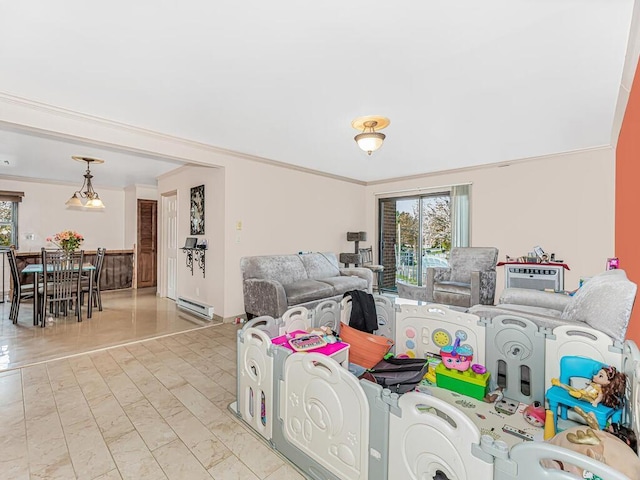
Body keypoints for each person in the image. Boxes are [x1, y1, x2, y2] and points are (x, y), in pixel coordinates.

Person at [551, 365, 626, 408]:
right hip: (584, 392)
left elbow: (599, 397)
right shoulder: (594, 384)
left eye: (600, 376)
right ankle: (559, 384)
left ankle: (579, 395)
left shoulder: (600, 389)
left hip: (590, 397)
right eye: (597, 374)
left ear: (608, 382)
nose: (595, 376)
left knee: (582, 395)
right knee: (572, 389)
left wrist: (595, 402)